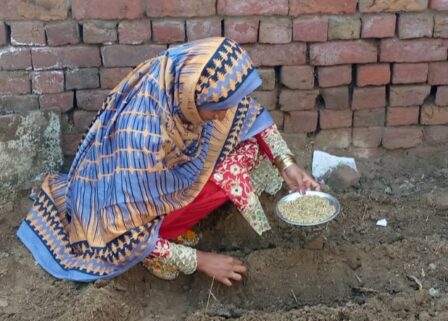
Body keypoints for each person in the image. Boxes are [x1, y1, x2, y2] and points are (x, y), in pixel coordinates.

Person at [17, 37, 320, 286]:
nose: (223, 115)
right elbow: (125, 230)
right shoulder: (144, 138)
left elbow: (249, 114)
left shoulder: (191, 80)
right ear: (193, 100)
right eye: (216, 109)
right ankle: (162, 242)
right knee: (229, 174)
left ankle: (174, 224)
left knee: (248, 151)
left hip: (161, 179)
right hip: (117, 211)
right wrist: (201, 261)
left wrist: (287, 164)